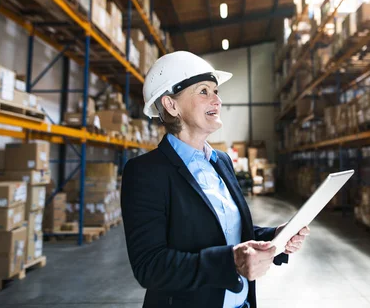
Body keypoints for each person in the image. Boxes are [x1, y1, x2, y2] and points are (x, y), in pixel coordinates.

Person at [121, 51, 310, 308]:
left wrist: (275, 237)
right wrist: (231, 261)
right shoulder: (146, 172)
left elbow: (225, 232)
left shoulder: (220, 161)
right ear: (171, 105)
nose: (217, 100)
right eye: (204, 91)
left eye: (216, 91)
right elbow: (150, 266)